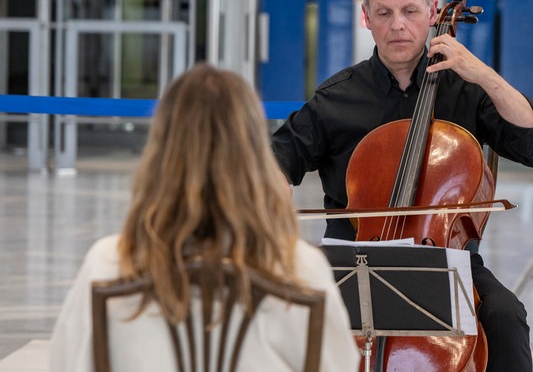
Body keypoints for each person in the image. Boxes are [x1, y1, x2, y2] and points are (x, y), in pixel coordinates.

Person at [271, 0, 533, 372]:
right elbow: (273, 160)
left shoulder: (466, 88)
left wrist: (484, 75)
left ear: (432, 13)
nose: (397, 25)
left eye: (410, 11)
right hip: (349, 264)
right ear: (366, 18)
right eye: (384, 13)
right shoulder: (336, 98)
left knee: (505, 316)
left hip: (444, 263)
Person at [49, 63, 361, 372]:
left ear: (160, 153)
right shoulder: (300, 269)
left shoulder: (108, 264)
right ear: (254, 157)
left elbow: (67, 363)